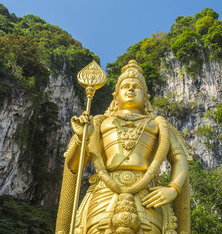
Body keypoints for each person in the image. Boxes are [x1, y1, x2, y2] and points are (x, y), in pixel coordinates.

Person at [55, 60, 191, 234]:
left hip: (147, 195)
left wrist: (174, 188)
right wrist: (82, 139)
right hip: (105, 193)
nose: (131, 89)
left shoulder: (157, 126)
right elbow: (74, 167)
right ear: (115, 96)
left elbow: (179, 158)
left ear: (146, 98)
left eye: (137, 87)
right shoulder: (98, 123)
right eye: (125, 86)